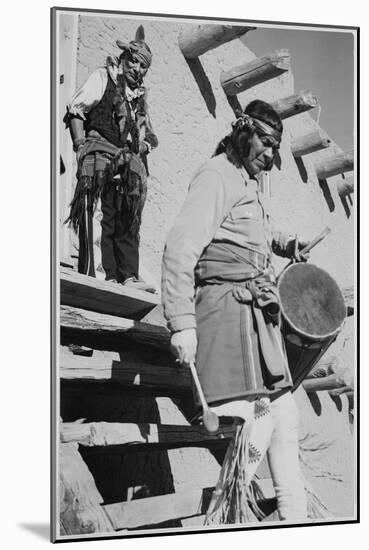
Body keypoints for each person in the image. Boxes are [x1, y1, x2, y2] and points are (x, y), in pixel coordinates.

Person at [162, 100, 310, 524]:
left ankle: (294, 519)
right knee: (261, 416)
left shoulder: (248, 183)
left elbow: (250, 232)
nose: (271, 154)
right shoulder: (216, 176)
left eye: (277, 147)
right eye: (266, 142)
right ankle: (222, 517)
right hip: (225, 312)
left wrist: (284, 242)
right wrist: (181, 323)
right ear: (244, 132)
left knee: (285, 416)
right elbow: (181, 247)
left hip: (253, 316)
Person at [65, 26, 158, 292]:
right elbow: (77, 111)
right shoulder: (103, 77)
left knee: (125, 220)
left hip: (126, 167)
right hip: (98, 159)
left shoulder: (139, 100)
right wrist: (80, 146)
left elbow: (146, 135)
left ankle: (127, 277)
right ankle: (100, 278)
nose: (137, 69)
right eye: (134, 62)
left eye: (143, 67)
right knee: (97, 217)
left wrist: (143, 147)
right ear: (124, 58)